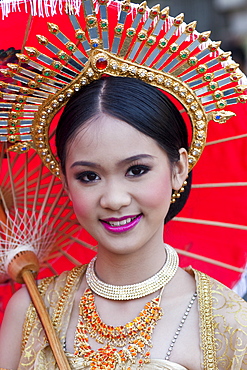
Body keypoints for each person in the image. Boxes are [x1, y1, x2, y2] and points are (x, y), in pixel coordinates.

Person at [0, 1, 247, 369]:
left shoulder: (228, 324)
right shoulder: (31, 310)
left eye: (136, 170)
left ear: (178, 168)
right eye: (88, 176)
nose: (114, 199)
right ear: (65, 183)